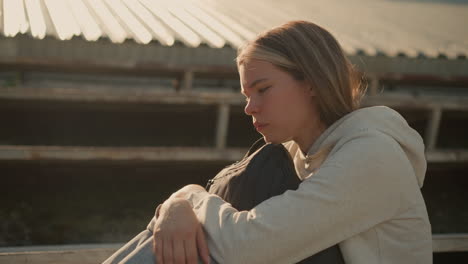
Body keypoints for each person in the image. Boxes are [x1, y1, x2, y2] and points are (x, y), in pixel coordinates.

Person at [104, 20, 432, 264]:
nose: (250, 108)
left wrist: (190, 202)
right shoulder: (293, 154)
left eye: (263, 90)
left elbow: (247, 249)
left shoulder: (373, 155)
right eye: (247, 95)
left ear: (312, 83)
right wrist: (179, 203)